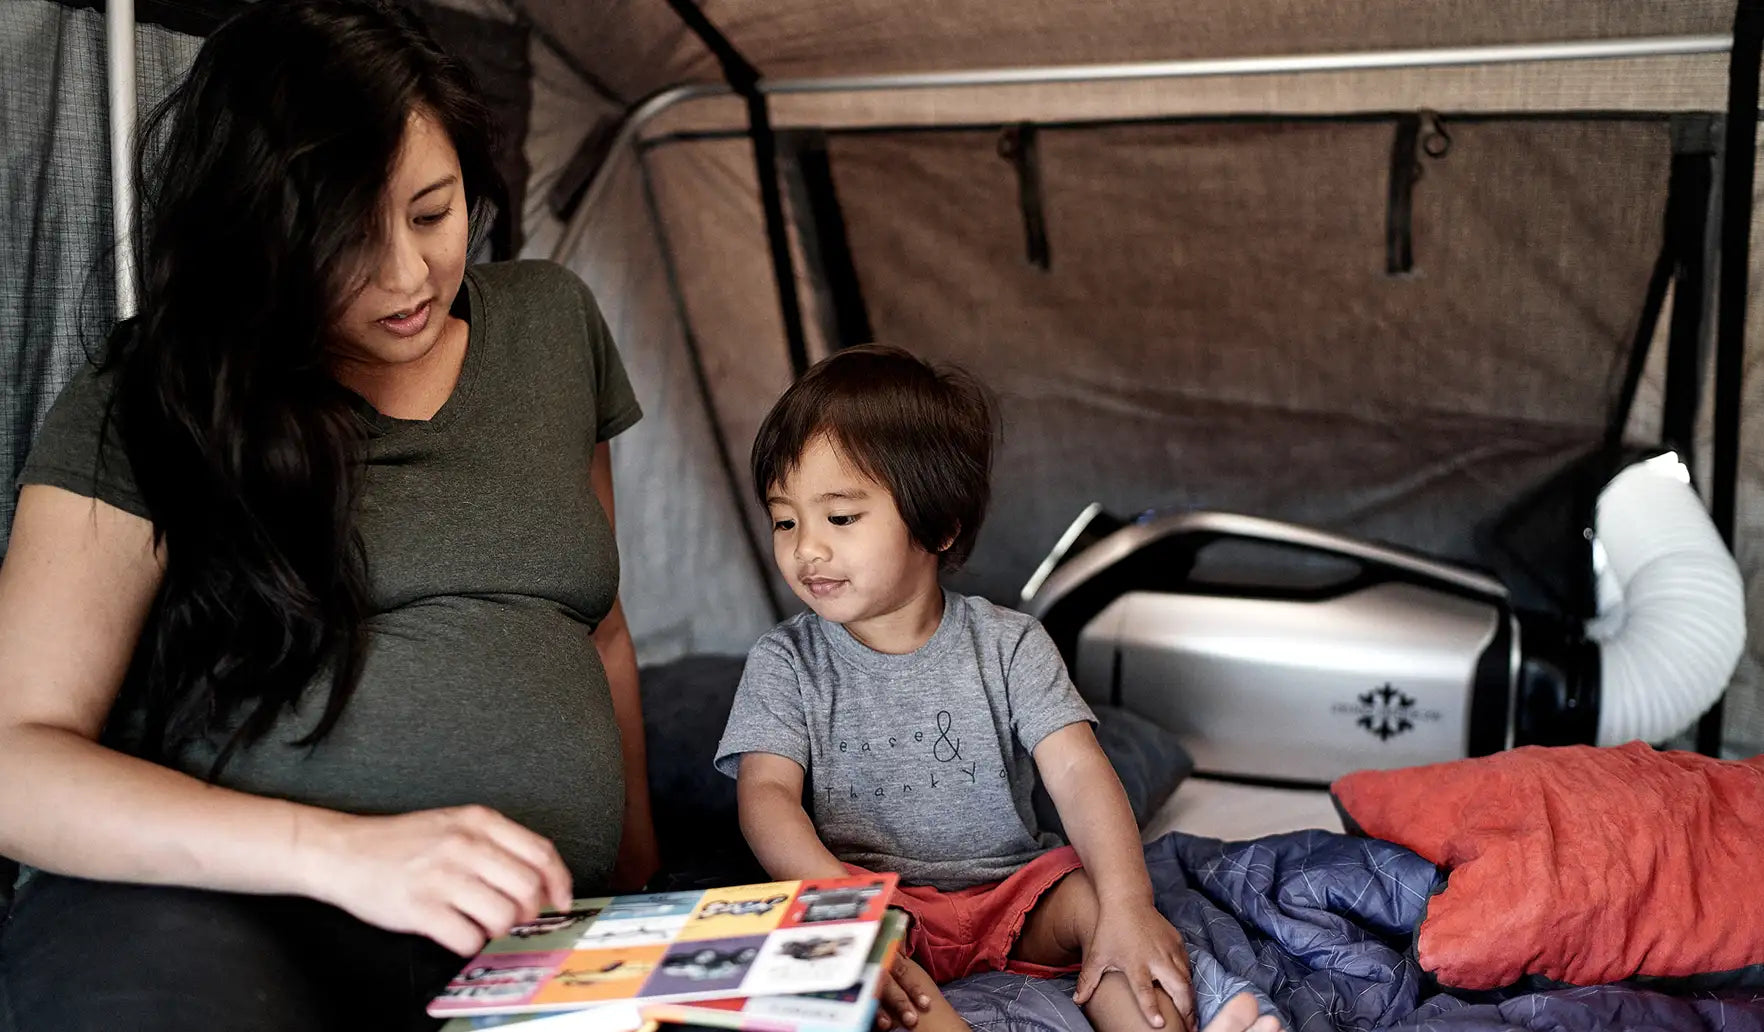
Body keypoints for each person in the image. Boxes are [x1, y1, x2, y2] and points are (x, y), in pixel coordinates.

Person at [0, 2, 656, 1028]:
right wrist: (343, 854)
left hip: (519, 935)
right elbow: (14, 763)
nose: (406, 276)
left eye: (433, 213)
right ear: (256, 232)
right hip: (221, 911)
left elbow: (599, 631)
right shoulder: (153, 394)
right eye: (346, 238)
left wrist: (646, 903)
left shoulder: (552, 324)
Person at [714, 346, 1282, 1032]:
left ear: (940, 524)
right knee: (879, 985)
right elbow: (765, 796)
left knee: (1095, 905)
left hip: (1012, 892)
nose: (806, 549)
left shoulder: (1009, 643)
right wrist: (843, 903)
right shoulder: (786, 660)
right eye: (785, 520)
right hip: (876, 905)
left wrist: (1129, 901)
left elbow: (1076, 770)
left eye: (839, 518)